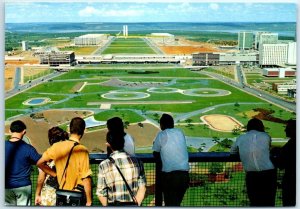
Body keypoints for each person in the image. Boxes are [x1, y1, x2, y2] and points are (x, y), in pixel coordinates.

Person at [37, 117, 93, 206]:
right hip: (77, 194)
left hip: (62, 194)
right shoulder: (82, 150)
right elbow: (85, 177)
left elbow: (40, 163)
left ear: (69, 129)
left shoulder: (56, 146)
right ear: (84, 130)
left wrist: (55, 174)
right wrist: (89, 201)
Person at [230, 118, 276, 206]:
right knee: (269, 202)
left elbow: (232, 152)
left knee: (254, 202)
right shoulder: (266, 136)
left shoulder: (240, 138)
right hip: (269, 173)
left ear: (248, 127)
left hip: (252, 174)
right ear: (261, 126)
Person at [96, 131, 146, 206]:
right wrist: (136, 206)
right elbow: (142, 188)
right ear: (123, 142)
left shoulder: (103, 165)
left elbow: (101, 193)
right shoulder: (138, 162)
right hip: (133, 205)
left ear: (108, 145)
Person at [152, 113, 190, 206]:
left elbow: (155, 152)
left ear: (162, 125)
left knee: (170, 204)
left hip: (170, 177)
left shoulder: (161, 134)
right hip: (184, 176)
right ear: (172, 124)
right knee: (176, 203)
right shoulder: (180, 132)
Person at [5, 120, 41, 206]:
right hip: (24, 186)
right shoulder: (28, 148)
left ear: (10, 131)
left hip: (5, 186)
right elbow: (41, 163)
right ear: (24, 132)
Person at [35, 127, 69, 206]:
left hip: (50, 194)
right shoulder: (68, 153)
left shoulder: (48, 154)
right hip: (65, 191)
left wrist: (37, 194)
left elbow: (41, 178)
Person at [278, 119, 296, 206]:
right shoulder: (292, 143)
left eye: (287, 128)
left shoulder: (291, 144)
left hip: (291, 181)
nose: (285, 130)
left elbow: (281, 163)